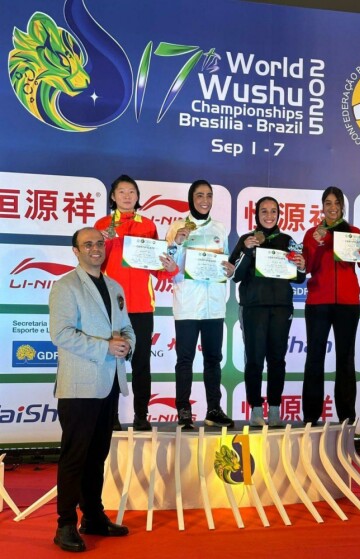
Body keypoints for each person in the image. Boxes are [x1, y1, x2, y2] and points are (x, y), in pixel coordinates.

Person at [49, 227, 136, 552]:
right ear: (76, 251)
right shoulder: (65, 286)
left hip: (109, 383)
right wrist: (105, 347)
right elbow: (61, 334)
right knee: (75, 457)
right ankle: (65, 525)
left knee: (97, 455)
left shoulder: (114, 286)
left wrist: (128, 345)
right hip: (78, 386)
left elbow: (126, 327)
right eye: (88, 244)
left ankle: (94, 517)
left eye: (100, 243)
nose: (96, 248)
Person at [94, 174, 178, 431]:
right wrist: (102, 241)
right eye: (121, 191)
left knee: (141, 364)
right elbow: (93, 263)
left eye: (132, 191)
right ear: (113, 196)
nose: (127, 196)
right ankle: (110, 416)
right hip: (112, 306)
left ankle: (142, 415)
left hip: (141, 306)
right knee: (111, 363)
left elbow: (157, 268)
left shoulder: (148, 226)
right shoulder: (102, 225)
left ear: (138, 196)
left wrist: (170, 269)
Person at [302, 186, 360, 425]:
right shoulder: (312, 234)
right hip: (318, 303)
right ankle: (310, 416)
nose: (333, 207)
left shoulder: (354, 233)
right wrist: (316, 244)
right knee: (314, 357)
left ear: (342, 207)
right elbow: (307, 267)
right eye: (328, 203)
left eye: (337, 203)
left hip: (348, 304)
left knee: (346, 359)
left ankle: (347, 416)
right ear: (322, 206)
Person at [229, 196, 306, 427]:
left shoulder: (287, 241)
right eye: (264, 211)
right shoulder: (247, 239)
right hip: (253, 308)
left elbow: (299, 278)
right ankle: (255, 409)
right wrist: (248, 250)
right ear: (256, 214)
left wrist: (302, 266)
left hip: (281, 308)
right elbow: (235, 275)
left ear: (279, 215)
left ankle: (274, 409)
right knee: (254, 359)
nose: (269, 215)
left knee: (277, 360)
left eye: (273, 211)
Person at [165, 179, 235, 429]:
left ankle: (213, 409)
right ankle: (183, 410)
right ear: (191, 199)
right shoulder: (177, 226)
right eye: (199, 195)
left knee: (213, 359)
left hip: (214, 305)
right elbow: (168, 266)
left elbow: (226, 265)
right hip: (187, 303)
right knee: (185, 359)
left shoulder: (219, 228)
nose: (205, 200)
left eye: (209, 195)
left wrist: (230, 271)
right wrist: (177, 242)